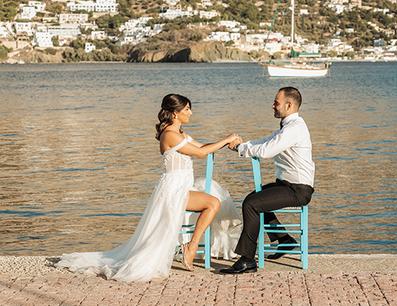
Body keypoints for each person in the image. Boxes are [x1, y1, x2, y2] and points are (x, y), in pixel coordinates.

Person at [56, 94, 241, 282]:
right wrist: (227, 138)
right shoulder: (170, 135)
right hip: (173, 189)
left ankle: (190, 247)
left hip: (182, 186)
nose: (191, 113)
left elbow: (202, 146)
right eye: (187, 109)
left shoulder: (179, 134)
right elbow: (201, 153)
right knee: (213, 203)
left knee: (213, 202)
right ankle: (191, 247)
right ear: (175, 114)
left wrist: (225, 143)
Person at [221, 87, 315, 274]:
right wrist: (240, 146)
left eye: (276, 102)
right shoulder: (287, 127)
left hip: (298, 189)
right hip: (286, 184)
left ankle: (247, 260)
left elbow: (266, 151)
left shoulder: (294, 128)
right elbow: (264, 142)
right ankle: (285, 240)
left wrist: (241, 148)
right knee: (255, 198)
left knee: (251, 204)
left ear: (289, 105)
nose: (273, 105)